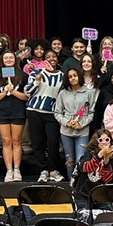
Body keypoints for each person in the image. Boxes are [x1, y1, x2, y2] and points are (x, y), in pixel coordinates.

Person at [25, 50, 65, 183]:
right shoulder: (36, 73)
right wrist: (36, 82)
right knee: (37, 142)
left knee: (53, 142)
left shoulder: (62, 76)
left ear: (57, 60)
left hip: (52, 112)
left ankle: (53, 170)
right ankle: (43, 170)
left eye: (54, 57)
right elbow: (27, 92)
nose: (51, 59)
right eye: (48, 57)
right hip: (35, 110)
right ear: (43, 60)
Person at [54, 67, 97, 178]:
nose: (73, 78)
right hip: (66, 132)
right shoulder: (63, 93)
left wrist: (81, 124)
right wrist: (66, 122)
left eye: (75, 75)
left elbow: (91, 113)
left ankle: (79, 186)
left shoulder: (88, 92)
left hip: (82, 131)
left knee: (80, 159)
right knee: (70, 160)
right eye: (70, 76)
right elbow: (57, 113)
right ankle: (71, 184)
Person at [72, 129, 113, 211]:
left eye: (107, 139)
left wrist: (106, 160)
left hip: (100, 194)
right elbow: (86, 168)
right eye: (101, 140)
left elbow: (107, 178)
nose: (104, 142)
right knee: (84, 216)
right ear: (96, 141)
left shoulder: (112, 158)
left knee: (110, 214)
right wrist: (101, 154)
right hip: (82, 193)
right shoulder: (89, 152)